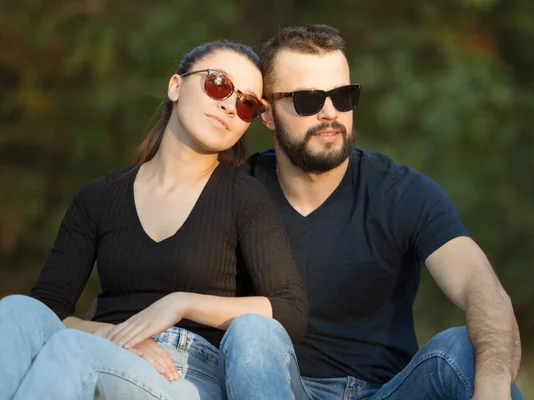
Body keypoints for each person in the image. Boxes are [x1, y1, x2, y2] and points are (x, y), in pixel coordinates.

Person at [220, 25, 525, 400]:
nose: (330, 113)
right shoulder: (236, 193)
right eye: (308, 101)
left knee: (463, 347)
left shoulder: (400, 192)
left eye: (343, 96)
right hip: (283, 388)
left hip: (390, 391)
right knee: (251, 333)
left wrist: (492, 389)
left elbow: (481, 286)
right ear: (266, 114)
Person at [0, 40, 307, 400]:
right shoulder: (99, 196)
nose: (228, 105)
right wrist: (115, 337)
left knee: (70, 350)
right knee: (16, 311)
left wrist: (180, 302)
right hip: (103, 352)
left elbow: (290, 310)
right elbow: (49, 312)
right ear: (176, 86)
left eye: (246, 104)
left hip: (187, 372)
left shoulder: (244, 196)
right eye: (218, 84)